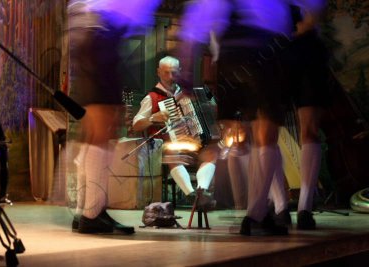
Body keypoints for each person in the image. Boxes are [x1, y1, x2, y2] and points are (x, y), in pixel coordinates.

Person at [177, 0, 327, 235]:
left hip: (257, 50)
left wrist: (191, 71)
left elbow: (194, 29)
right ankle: (269, 209)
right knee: (263, 135)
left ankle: (285, 208)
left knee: (265, 134)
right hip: (266, 49)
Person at [67, 0, 162, 235]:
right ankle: (92, 214)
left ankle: (85, 211)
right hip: (101, 35)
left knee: (93, 134)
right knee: (102, 131)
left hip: (89, 34)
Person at [132, 56, 216, 208]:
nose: (170, 77)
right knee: (172, 154)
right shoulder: (152, 97)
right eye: (166, 73)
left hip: (192, 144)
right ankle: (191, 195)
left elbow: (210, 108)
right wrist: (152, 118)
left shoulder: (189, 94)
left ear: (180, 72)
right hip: (167, 146)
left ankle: (201, 192)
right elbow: (136, 125)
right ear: (158, 72)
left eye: (174, 73)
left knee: (212, 153)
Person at [280, 3, 330, 230]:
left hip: (306, 49)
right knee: (263, 133)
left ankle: (305, 208)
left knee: (309, 130)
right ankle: (280, 207)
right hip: (270, 51)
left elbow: (317, 13)